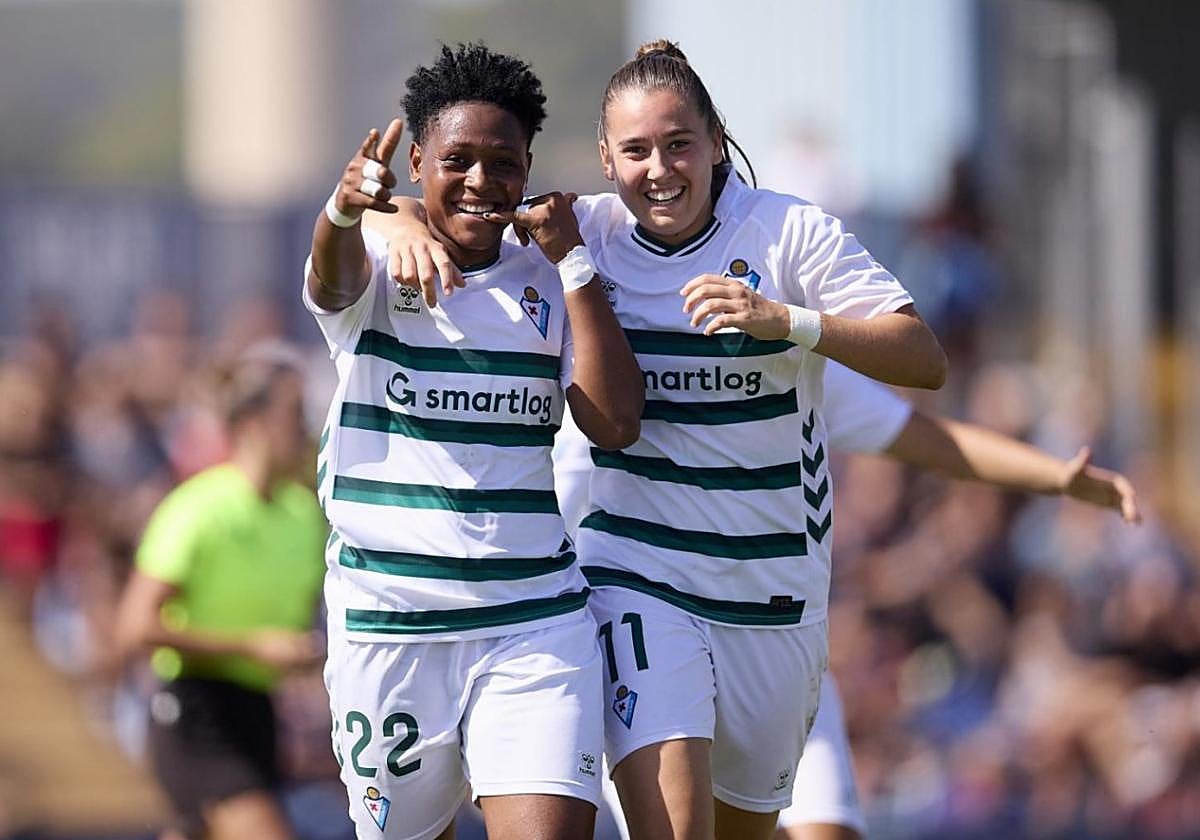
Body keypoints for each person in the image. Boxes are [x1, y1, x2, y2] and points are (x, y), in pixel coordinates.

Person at [372, 38, 947, 840]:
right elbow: (463, 205)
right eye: (636, 150)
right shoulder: (586, 237)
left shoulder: (788, 233)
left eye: (679, 145)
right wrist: (394, 213)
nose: (660, 169)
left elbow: (923, 357)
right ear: (606, 158)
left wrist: (788, 322)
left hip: (772, 598)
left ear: (716, 142)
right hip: (637, 578)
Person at [557, 361, 1138, 840]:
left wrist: (1059, 477)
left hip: (775, 639)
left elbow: (921, 436)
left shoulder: (784, 354)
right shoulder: (578, 353)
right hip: (651, 639)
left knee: (827, 831)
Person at [306, 43, 642, 840]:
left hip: (535, 621)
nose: (482, 182)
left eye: (505, 162)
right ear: (416, 159)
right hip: (392, 623)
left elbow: (614, 422)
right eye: (458, 160)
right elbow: (329, 278)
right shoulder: (380, 257)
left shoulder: (548, 280)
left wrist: (575, 267)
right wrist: (352, 209)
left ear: (529, 168)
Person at [114, 345, 328, 840]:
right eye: (293, 414)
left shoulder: (303, 516)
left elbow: (295, 627)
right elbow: (134, 626)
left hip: (259, 715)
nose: (304, 428)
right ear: (252, 423)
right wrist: (251, 645)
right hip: (196, 714)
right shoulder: (197, 509)